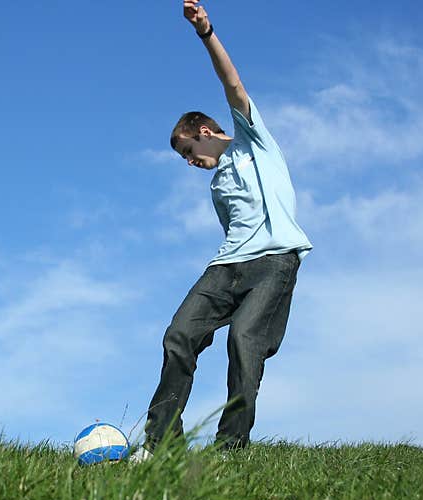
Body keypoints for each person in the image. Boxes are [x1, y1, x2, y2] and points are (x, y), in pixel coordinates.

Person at [130, 1, 313, 462]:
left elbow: (232, 83)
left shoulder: (255, 140)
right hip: (226, 267)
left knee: (243, 339)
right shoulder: (217, 186)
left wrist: (206, 33)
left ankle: (232, 449)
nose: (191, 163)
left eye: (190, 150)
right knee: (179, 334)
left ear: (207, 130)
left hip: (274, 262)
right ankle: (160, 444)